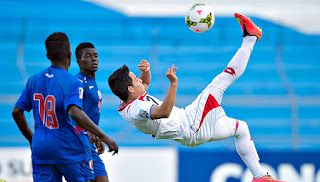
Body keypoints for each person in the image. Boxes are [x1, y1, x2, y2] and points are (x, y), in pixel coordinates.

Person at [108, 13, 285, 182]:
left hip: (191, 126)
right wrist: (173, 84)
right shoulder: (136, 109)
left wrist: (145, 72)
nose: (140, 79)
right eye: (135, 78)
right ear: (130, 88)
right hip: (192, 124)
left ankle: (260, 176)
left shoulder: (127, 99)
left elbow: (144, 87)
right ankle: (250, 38)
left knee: (241, 128)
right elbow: (164, 111)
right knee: (222, 80)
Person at [12, 32, 118, 182]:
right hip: (69, 147)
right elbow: (74, 112)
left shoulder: (34, 80)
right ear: (69, 54)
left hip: (42, 148)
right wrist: (103, 135)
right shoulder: (73, 81)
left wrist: (32, 139)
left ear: (48, 55)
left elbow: (16, 111)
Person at [75, 42, 109, 182]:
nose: (94, 59)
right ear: (78, 61)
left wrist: (96, 134)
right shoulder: (77, 82)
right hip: (79, 143)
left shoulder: (92, 82)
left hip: (90, 143)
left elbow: (89, 112)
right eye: (88, 56)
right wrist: (87, 131)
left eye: (95, 56)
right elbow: (71, 111)